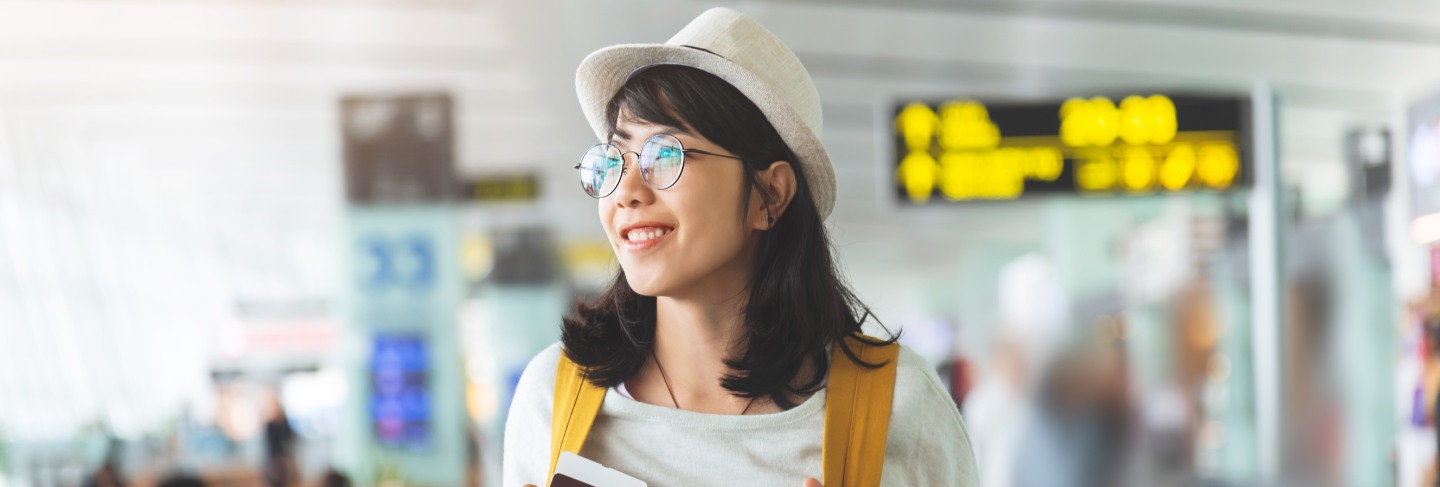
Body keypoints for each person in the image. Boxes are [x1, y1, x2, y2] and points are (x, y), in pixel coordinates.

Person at [502, 7, 978, 487]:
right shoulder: (553, 397)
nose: (626, 190)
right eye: (614, 158)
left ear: (769, 196)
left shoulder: (900, 407)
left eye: (665, 154)